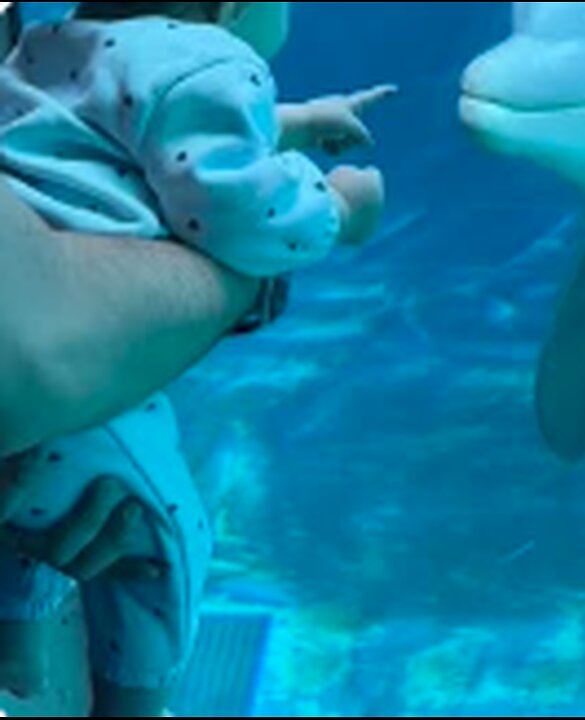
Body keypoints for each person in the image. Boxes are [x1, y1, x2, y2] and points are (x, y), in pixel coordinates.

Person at [0, 1, 392, 715]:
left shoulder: (48, 40)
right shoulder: (217, 62)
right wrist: (340, 209)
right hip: (87, 398)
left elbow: (124, 117)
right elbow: (243, 213)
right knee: (169, 540)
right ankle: (140, 706)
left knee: (30, 523)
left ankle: (18, 636)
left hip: (34, 418)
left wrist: (294, 119)